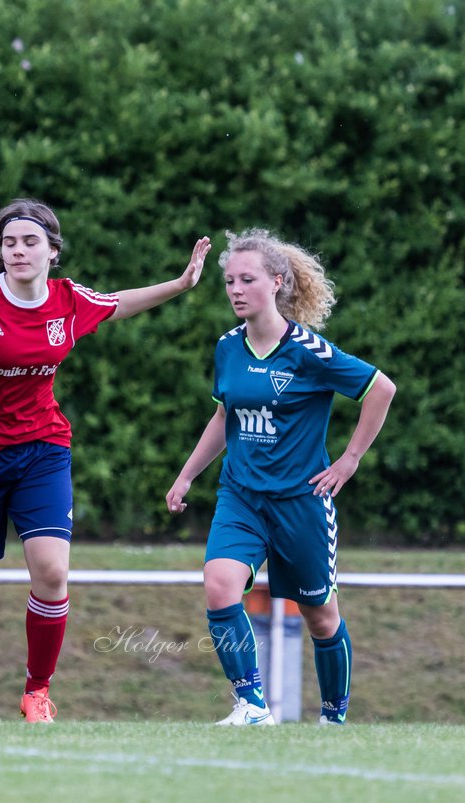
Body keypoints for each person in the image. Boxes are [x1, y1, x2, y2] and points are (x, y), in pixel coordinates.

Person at [0, 199, 210, 722]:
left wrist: (180, 284)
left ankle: (37, 694)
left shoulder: (68, 300)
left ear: (53, 252)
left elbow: (117, 302)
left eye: (30, 242)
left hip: (42, 452)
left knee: (52, 573)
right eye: (9, 243)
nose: (18, 251)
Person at [166, 228, 395, 725]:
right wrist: (186, 477)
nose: (235, 289)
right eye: (229, 281)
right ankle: (251, 705)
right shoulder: (228, 348)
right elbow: (224, 417)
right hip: (242, 497)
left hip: (301, 502)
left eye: (247, 279)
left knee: (320, 617)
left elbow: (381, 388)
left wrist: (349, 460)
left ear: (276, 282)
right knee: (219, 585)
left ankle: (333, 718)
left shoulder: (309, 351)